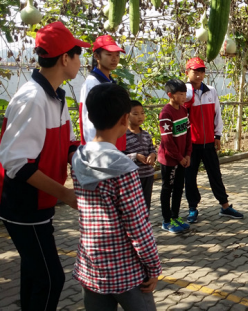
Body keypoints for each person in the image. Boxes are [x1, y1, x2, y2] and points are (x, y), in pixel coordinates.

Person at [0, 22, 89, 311]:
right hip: (23, 206)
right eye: (78, 54)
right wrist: (66, 195)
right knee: (50, 279)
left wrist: (95, 162)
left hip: (40, 205)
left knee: (34, 275)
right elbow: (16, 164)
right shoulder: (33, 99)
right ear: (65, 58)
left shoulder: (56, 97)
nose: (80, 61)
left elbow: (68, 146)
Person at [71, 83, 161, 311]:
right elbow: (137, 225)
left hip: (91, 265)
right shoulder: (124, 168)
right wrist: (153, 266)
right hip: (125, 271)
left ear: (90, 116)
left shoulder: (78, 158)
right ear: (124, 119)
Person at [184, 57, 243, 223]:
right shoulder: (185, 94)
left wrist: (217, 135)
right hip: (191, 145)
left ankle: (225, 206)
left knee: (215, 175)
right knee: (190, 177)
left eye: (201, 71)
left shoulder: (211, 91)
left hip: (209, 142)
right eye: (195, 71)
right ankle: (192, 208)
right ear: (187, 72)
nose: (199, 74)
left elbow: (217, 114)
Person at [79, 34, 127, 151]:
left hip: (111, 145)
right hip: (100, 149)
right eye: (109, 55)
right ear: (96, 56)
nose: (114, 59)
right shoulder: (92, 84)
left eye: (117, 55)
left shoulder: (108, 81)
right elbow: (88, 121)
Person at [158, 79, 194, 233]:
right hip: (169, 160)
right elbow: (167, 141)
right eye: (180, 94)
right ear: (170, 95)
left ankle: (175, 216)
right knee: (168, 188)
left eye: (185, 93)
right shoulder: (166, 113)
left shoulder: (183, 110)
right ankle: (166, 220)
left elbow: (187, 134)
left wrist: (187, 154)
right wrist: (179, 157)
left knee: (179, 188)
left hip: (182, 159)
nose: (184, 96)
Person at [124, 100, 157, 212]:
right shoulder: (123, 136)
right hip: (133, 177)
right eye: (136, 114)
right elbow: (120, 156)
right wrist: (135, 156)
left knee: (146, 204)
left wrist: (152, 155)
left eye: (142, 113)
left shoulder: (146, 134)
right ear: (127, 116)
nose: (140, 116)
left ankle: (144, 224)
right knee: (134, 206)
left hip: (148, 175)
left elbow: (152, 150)